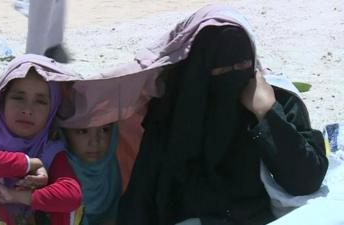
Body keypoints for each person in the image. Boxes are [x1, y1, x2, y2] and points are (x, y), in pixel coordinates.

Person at [116, 4, 328, 225]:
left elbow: (307, 180)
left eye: (243, 63)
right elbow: (141, 194)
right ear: (200, 66)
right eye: (222, 66)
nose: (234, 73)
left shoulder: (279, 100)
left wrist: (267, 115)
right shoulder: (174, 111)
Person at [0, 54, 82, 225]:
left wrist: (14, 196)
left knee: (66, 206)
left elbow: (72, 194)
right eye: (18, 97)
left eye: (40, 101)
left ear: (52, 109)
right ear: (3, 100)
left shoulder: (49, 147)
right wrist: (32, 164)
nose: (27, 110)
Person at [62, 123, 121, 225]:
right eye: (82, 131)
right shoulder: (54, 172)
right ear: (65, 133)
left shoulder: (111, 169)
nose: (94, 142)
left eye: (105, 129)